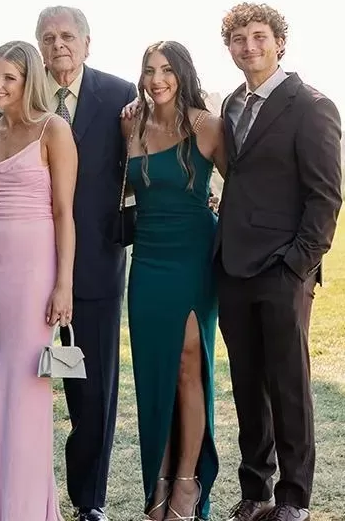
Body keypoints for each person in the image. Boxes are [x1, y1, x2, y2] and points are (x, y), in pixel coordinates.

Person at [0, 7, 137, 521]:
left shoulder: (119, 98)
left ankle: (88, 500)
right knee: (18, 382)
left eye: (67, 36)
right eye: (47, 38)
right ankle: (12, 488)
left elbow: (139, 169)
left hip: (92, 267)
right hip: (16, 271)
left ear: (88, 43)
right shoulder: (10, 99)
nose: (58, 46)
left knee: (90, 390)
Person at [214, 3, 341, 521]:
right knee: (247, 383)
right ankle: (255, 490)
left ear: (279, 43)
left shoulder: (311, 105)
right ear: (231, 48)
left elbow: (325, 197)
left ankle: (293, 499)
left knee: (288, 385)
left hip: (283, 270)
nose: (250, 47)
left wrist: (296, 266)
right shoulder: (230, 104)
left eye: (259, 36)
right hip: (232, 265)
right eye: (239, 39)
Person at [121, 41, 222, 521]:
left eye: (166, 70)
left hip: (194, 258)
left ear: (182, 74)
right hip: (147, 260)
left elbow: (246, 187)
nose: (157, 79)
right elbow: (119, 189)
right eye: (149, 70)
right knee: (152, 369)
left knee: (187, 363)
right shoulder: (131, 123)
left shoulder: (207, 126)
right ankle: (157, 476)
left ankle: (187, 479)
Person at [0, 40, 76, 521]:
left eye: (8, 78)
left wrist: (64, 285)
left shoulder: (53, 130)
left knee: (26, 388)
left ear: (28, 80)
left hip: (37, 272)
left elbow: (64, 212)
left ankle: (25, 507)